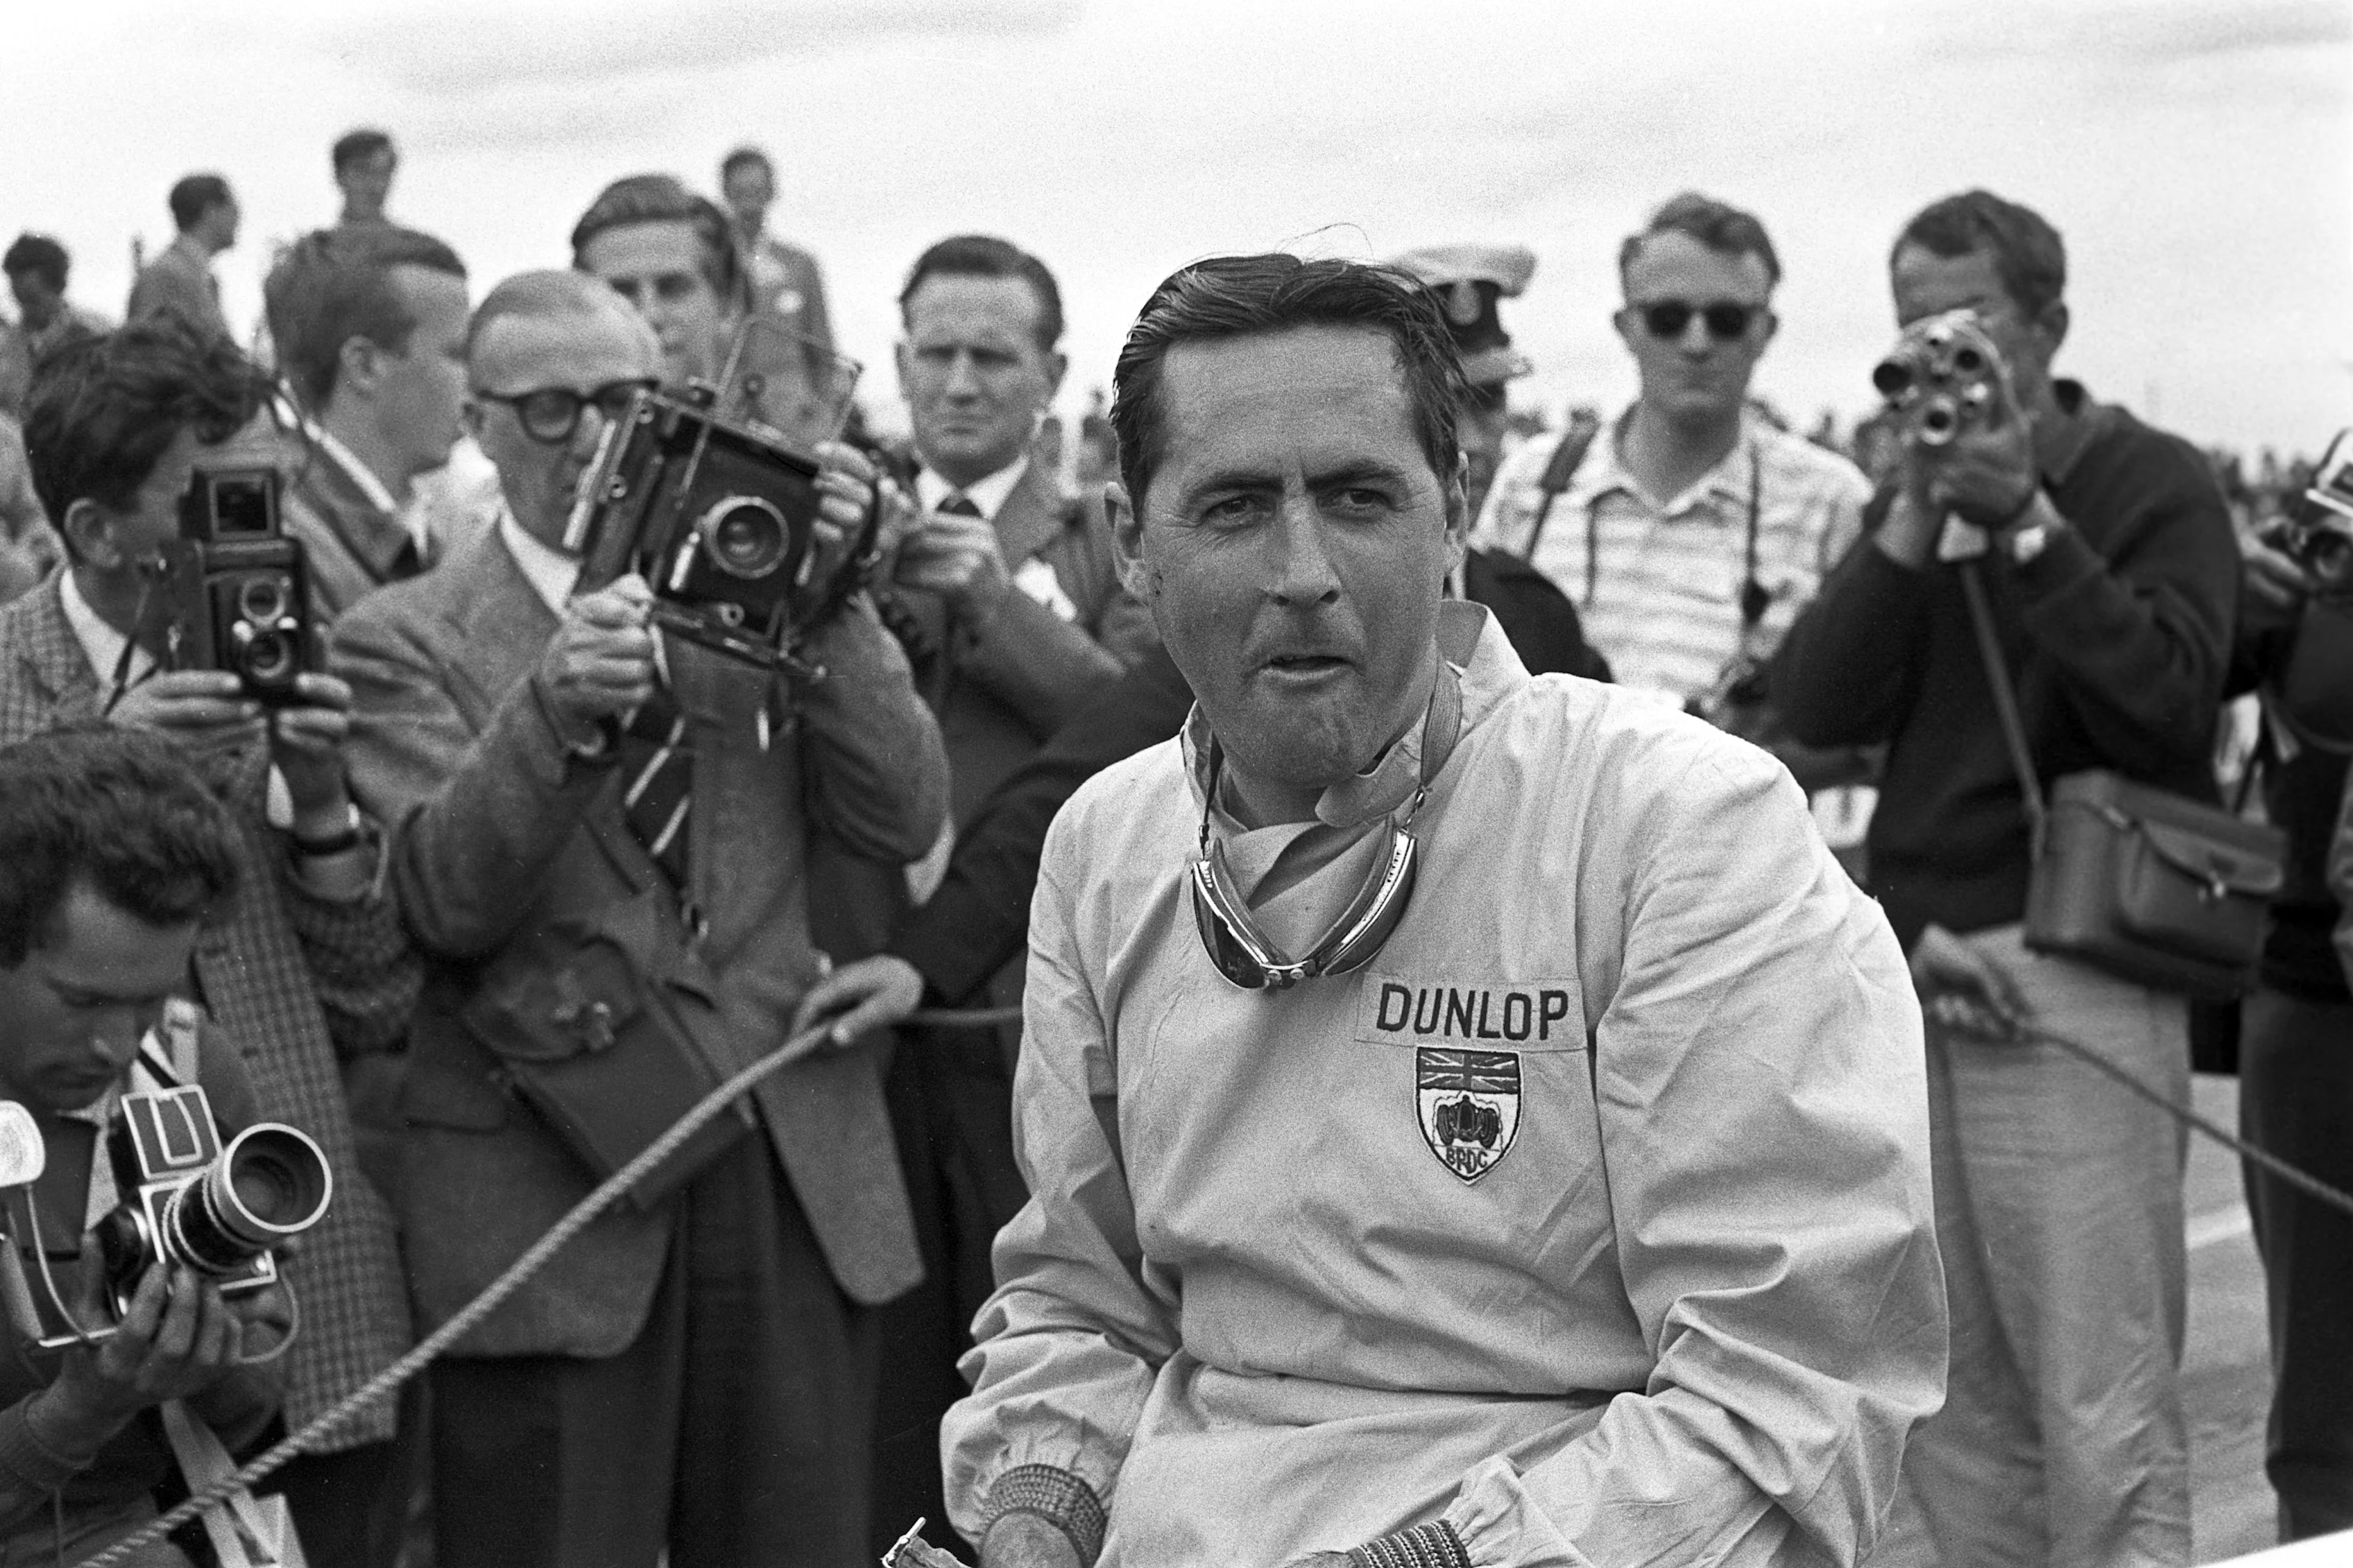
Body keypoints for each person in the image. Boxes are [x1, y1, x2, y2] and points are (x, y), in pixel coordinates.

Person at [936, 252, 1942, 1568]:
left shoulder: (1675, 824)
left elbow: (1788, 1392)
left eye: (1358, 498)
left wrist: (1424, 1563)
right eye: (1233, 508)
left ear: (1453, 506)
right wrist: (1034, 1510)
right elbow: (1081, 1305)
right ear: (1131, 542)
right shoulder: (1107, 847)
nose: (1302, 570)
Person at [330, 269, 949, 1568]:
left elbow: (901, 817)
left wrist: (833, 599)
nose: (593, 438)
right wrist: (547, 715)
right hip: (551, 1182)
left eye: (622, 401)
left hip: (785, 1163)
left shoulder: (758, 583)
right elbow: (439, 908)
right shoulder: (400, 637)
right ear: (480, 425)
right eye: (546, 410)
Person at [1769, 189, 2239, 1568]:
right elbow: (1818, 700)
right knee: (1951, 1389)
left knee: (2101, 1389)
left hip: (2076, 963)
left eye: (1970, 331)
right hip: (1918, 959)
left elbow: (2166, 703)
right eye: (1915, 332)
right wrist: (1912, 525)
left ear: (2049, 326)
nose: (1944, 364)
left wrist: (2029, 524)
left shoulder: (2151, 481)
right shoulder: (1906, 494)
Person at [6, 319, 419, 1568]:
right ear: (95, 531)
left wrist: (323, 800)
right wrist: (97, 753)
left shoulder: (297, 650)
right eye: (217, 501)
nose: (255, 534)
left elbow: (378, 991)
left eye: (267, 497)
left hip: (271, 1250)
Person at [859, 232, 1156, 1546]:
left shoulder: (1111, 541)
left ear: (1052, 376)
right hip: (856, 1017)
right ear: (898, 359)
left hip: (1042, 1016)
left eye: (995, 356)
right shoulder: (840, 524)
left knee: (1046, 1360)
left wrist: (998, 605)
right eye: (937, 352)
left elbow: (1149, 722)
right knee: (869, 1393)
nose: (962, 382)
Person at [0, 726, 293, 1568]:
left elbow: (249, 1413)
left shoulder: (188, 1070)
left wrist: (214, 1356)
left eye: (149, 1000)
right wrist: (80, 1410)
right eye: (82, 1001)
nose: (118, 1046)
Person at [1472, 194, 1869, 728]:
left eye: (1727, 319)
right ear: (1626, 327)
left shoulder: (1830, 501)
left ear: (1765, 332)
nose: (1697, 342)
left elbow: (1861, 738)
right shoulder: (1535, 484)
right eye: (1668, 318)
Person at [2230, 492, 2353, 1541]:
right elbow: (2184, 683)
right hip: (2317, 995)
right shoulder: (2330, 506)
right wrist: (2237, 580)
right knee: (2323, 1407)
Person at [264, 225, 471, 620]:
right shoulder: (289, 547)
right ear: (364, 366)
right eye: (458, 353)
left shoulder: (402, 522)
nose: (478, 379)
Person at [718, 146, 835, 359]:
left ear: (771, 192)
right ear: (725, 193)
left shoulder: (801, 265)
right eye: (739, 193)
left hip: (793, 390)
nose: (749, 204)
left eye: (756, 191)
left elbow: (822, 345)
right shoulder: (714, 264)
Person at [1, 234, 111, 417]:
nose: (26, 309)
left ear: (58, 287)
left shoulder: (98, 334)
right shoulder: (5, 347)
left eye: (34, 299)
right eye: (19, 300)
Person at [126, 177, 239, 343]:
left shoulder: (200, 276)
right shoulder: (165, 274)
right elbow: (147, 358)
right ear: (211, 212)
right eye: (233, 209)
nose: (237, 217)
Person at [332, 129, 398, 230]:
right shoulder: (315, 245)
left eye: (382, 173)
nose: (376, 186)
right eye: (363, 172)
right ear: (340, 176)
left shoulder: (417, 245)